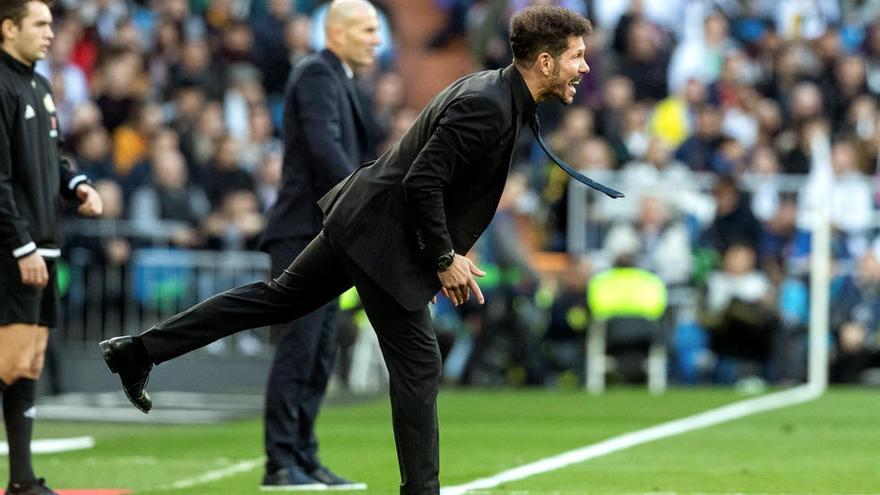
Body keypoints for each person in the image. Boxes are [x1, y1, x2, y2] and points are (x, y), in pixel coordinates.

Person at [100, 5, 603, 493]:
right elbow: (422, 182)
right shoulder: (488, 103)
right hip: (380, 233)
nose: (584, 67)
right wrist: (443, 258)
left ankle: (137, 351)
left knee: (275, 299)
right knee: (419, 363)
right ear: (544, 62)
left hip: (370, 223)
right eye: (577, 56)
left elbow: (434, 184)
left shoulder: (498, 95)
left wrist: (443, 254)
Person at [257, 0, 378, 489]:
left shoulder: (340, 78)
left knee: (321, 352)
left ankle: (304, 455)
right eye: (368, 29)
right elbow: (325, 147)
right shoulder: (316, 73)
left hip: (328, 234)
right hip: (302, 233)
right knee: (299, 348)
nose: (377, 38)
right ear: (338, 32)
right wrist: (364, 201)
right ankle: (279, 462)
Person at [0, 1, 104, 494]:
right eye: (39, 23)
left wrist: (76, 183)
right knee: (10, 362)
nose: (49, 33)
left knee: (30, 364)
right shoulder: (0, 85)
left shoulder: (39, 86)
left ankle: (21, 478)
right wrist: (20, 246)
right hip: (12, 248)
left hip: (45, 243)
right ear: (8, 27)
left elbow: (51, 155)